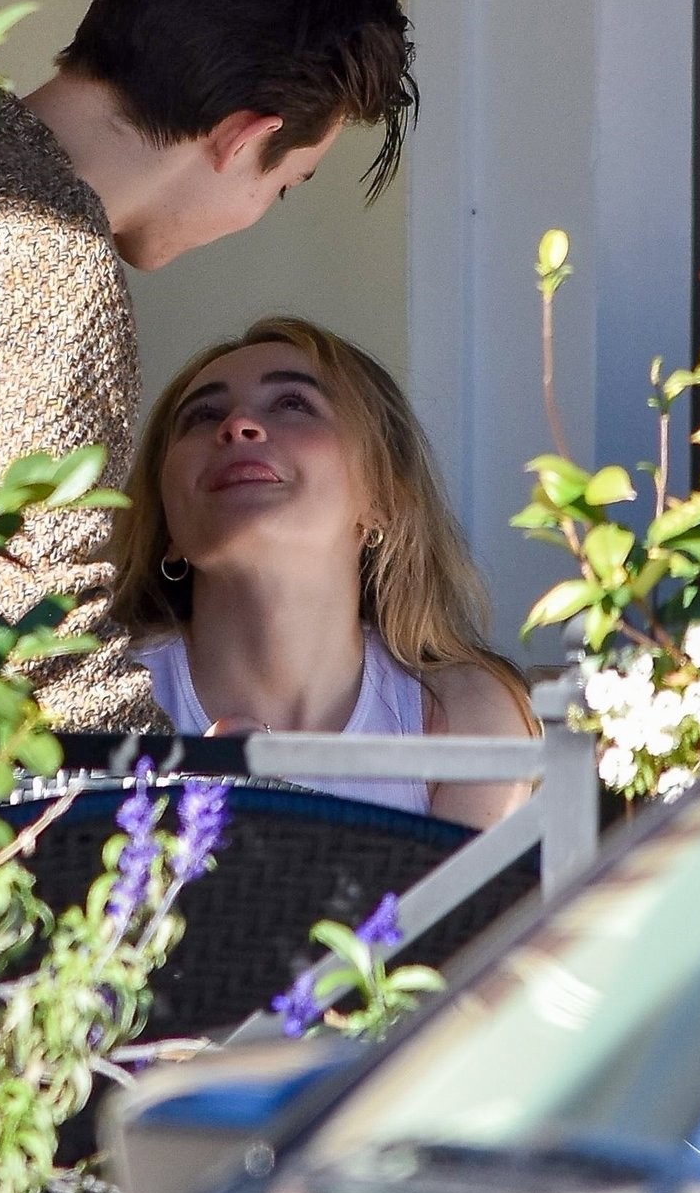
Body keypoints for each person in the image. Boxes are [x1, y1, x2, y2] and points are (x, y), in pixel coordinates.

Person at [0, 0, 417, 732]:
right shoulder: (51, 261)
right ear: (243, 138)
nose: (258, 213)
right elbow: (32, 643)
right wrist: (188, 791)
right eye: (285, 186)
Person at [111, 316, 534, 826]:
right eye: (202, 415)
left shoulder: (460, 713)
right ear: (167, 526)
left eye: (293, 404)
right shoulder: (102, 693)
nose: (237, 425)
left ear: (382, 497)